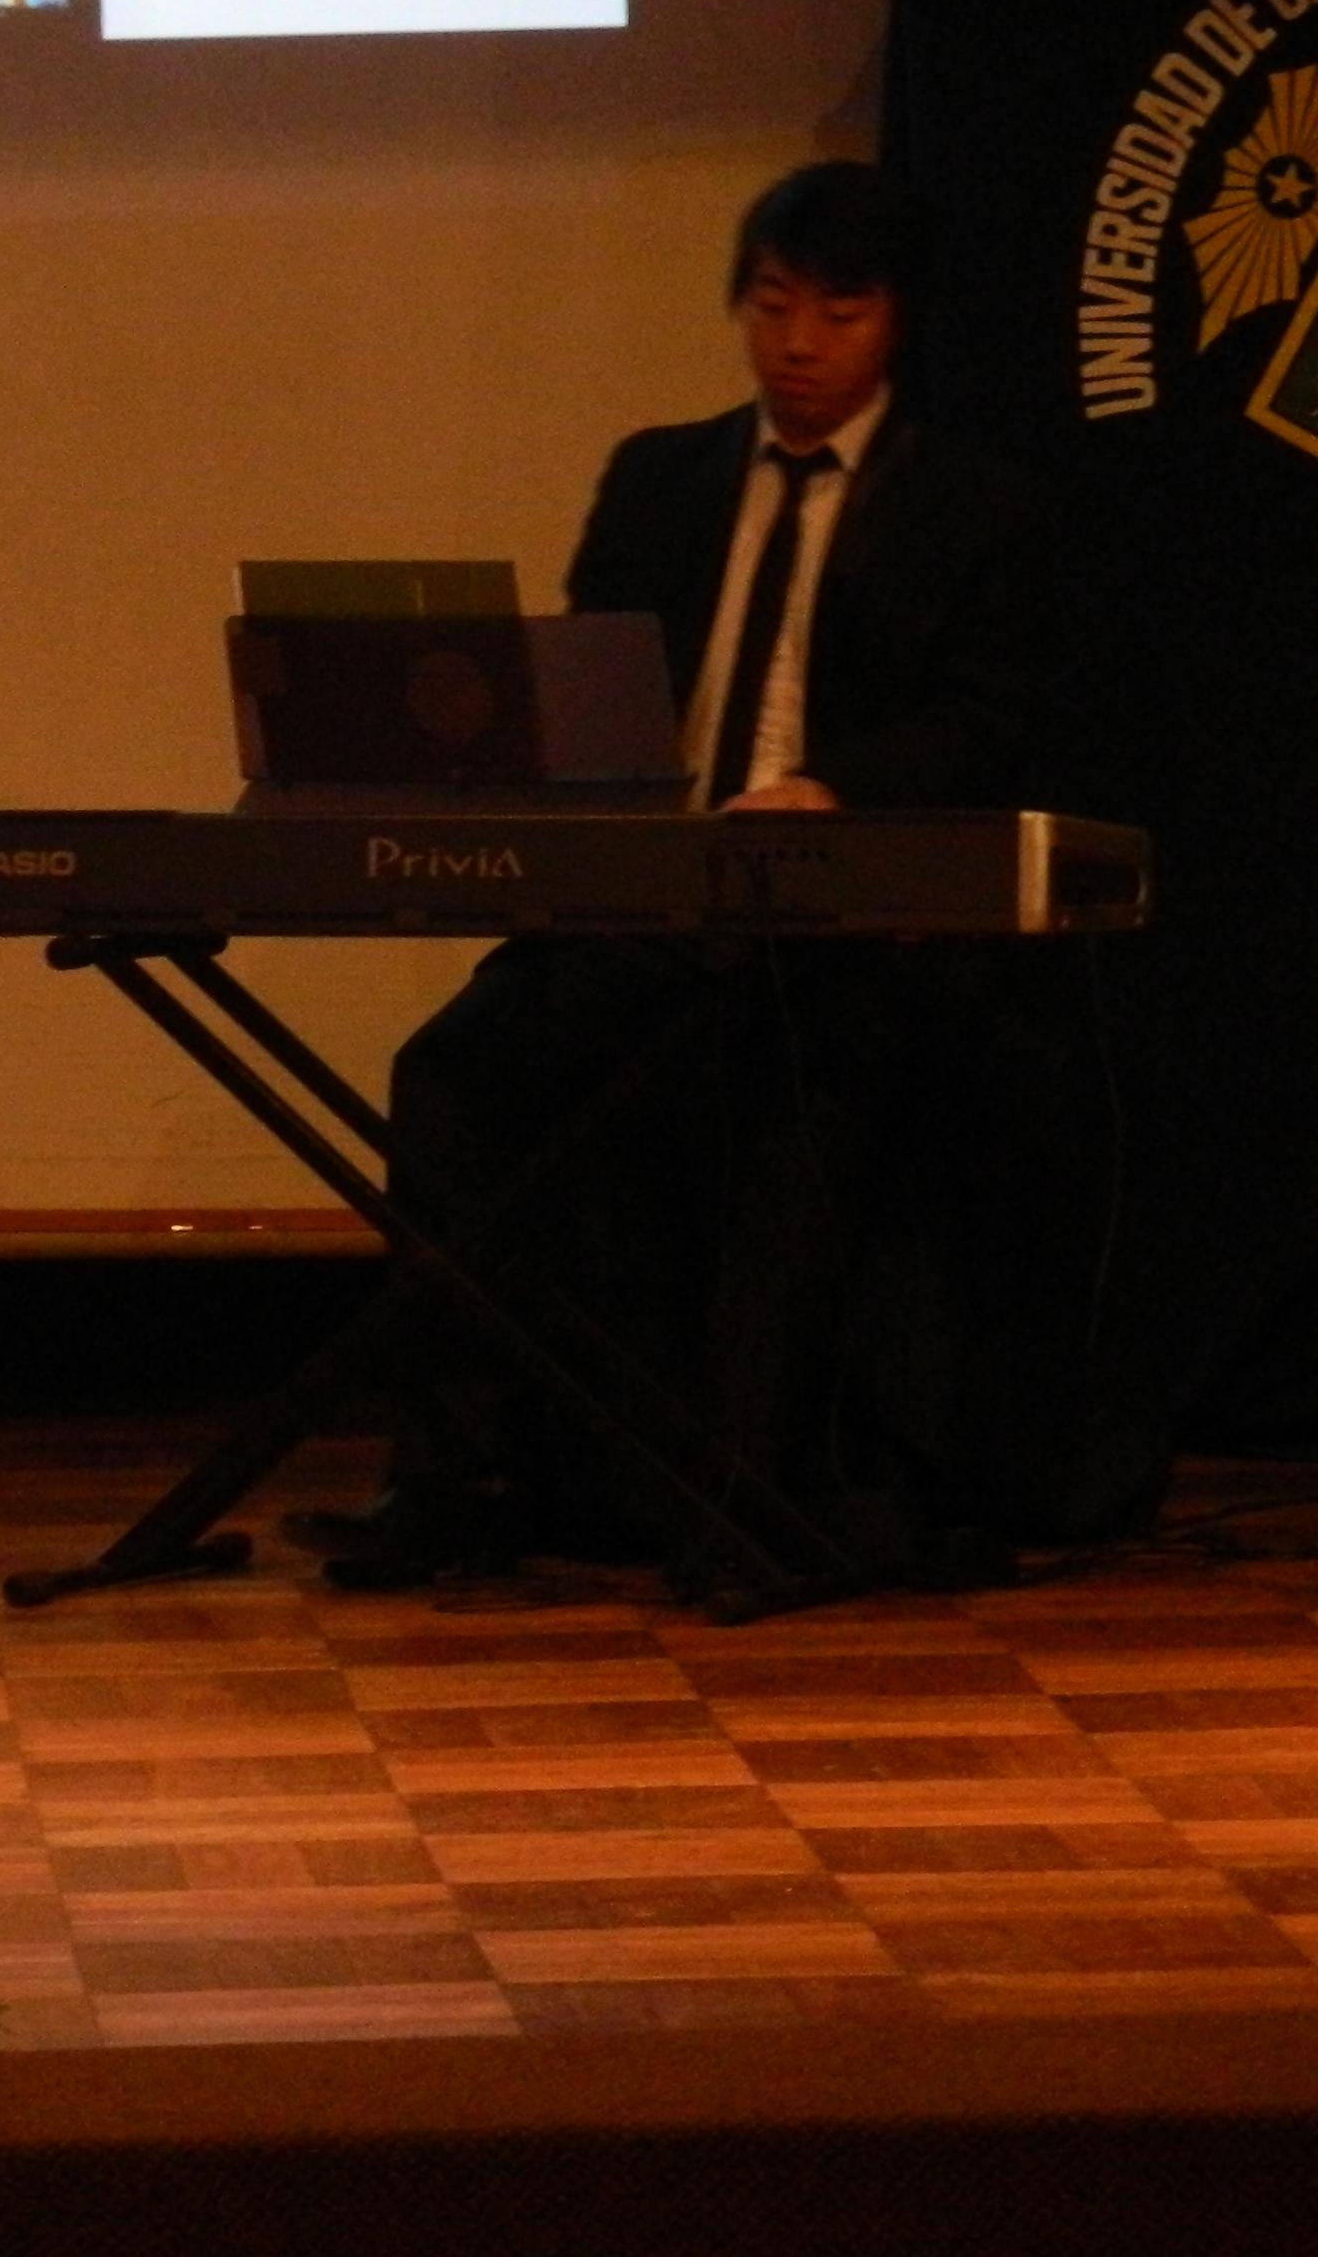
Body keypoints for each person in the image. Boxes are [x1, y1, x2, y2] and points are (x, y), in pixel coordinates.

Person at [300, 161, 1135, 1592]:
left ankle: (754, 1502)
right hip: (655, 908)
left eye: (841, 313)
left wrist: (835, 790)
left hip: (849, 930)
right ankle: (465, 1470)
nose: (799, 345)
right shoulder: (662, 477)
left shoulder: (975, 508)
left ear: (901, 326)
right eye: (772, 306)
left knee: (806, 1095)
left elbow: (997, 723)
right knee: (456, 1071)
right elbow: (597, 684)